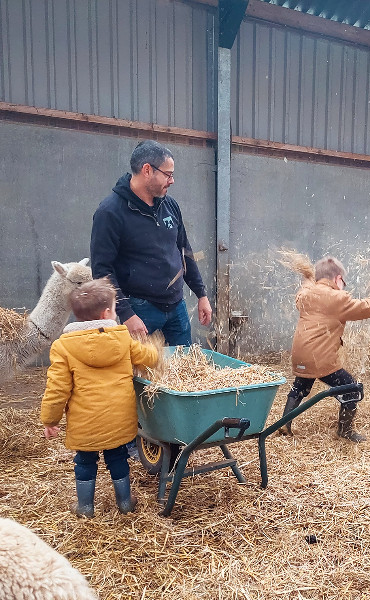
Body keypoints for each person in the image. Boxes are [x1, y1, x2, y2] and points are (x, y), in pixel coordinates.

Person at [40, 278, 161, 518]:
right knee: (118, 457)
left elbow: (57, 389)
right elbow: (148, 357)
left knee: (84, 462)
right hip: (119, 420)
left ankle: (85, 507)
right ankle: (125, 502)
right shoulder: (123, 339)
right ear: (107, 313)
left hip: (85, 424)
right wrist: (156, 348)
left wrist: (50, 420)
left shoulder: (63, 347)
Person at [90, 139, 212, 347]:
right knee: (141, 372)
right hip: (139, 309)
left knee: (184, 369)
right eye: (168, 174)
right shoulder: (110, 212)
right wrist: (126, 314)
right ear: (147, 170)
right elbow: (102, 271)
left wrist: (201, 294)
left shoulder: (170, 206)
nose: (172, 181)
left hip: (176, 307)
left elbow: (185, 251)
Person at [280, 256, 370, 443]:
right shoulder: (337, 298)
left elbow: (305, 287)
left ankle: (284, 423)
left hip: (300, 356)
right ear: (338, 279)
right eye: (343, 282)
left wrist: (308, 276)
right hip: (320, 358)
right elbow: (365, 307)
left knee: (300, 386)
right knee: (352, 389)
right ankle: (345, 431)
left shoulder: (307, 294)